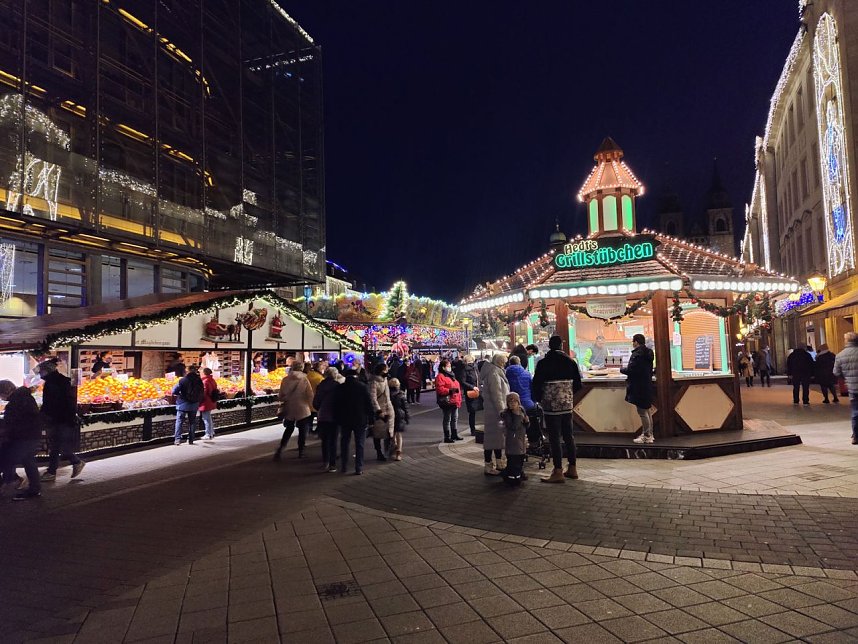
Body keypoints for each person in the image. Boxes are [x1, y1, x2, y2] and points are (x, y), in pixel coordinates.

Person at [532, 336, 582, 482]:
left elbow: (536, 384)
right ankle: (572, 468)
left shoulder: (543, 363)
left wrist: (540, 399)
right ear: (561, 345)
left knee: (554, 437)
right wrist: (568, 394)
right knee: (569, 436)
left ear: (549, 346)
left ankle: (558, 471)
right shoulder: (570, 362)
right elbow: (578, 384)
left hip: (550, 406)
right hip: (567, 404)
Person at [38, 359, 85, 480]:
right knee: (57, 446)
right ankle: (53, 471)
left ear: (47, 371)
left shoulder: (53, 383)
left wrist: (43, 414)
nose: (40, 374)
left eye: (41, 371)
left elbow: (52, 403)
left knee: (59, 445)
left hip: (59, 418)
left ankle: (74, 463)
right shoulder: (60, 381)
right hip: (62, 418)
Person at [0, 380, 42, 500]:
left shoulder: (16, 402)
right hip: (31, 435)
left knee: (7, 458)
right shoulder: (25, 397)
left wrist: (6, 433)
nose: (1, 398)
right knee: (28, 461)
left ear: (6, 391)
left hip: (23, 437)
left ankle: (13, 480)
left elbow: (13, 422)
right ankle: (33, 488)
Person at [333, 368, 375, 474]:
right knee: (359, 443)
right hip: (360, 419)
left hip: (345, 419)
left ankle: (344, 466)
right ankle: (358, 467)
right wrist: (371, 419)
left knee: (344, 442)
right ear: (356, 376)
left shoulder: (340, 387)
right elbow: (368, 404)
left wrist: (337, 418)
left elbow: (335, 405)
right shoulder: (362, 387)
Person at [273, 361, 314, 460]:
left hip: (289, 407)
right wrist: (313, 406)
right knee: (302, 430)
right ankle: (301, 451)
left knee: (289, 429)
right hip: (302, 407)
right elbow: (309, 394)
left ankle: (281, 448)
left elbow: (281, 395)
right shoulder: (304, 379)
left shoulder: (285, 379)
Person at [621, 334, 655, 445]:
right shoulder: (649, 353)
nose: (632, 343)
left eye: (633, 341)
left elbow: (632, 370)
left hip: (638, 386)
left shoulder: (637, 354)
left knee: (642, 412)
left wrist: (621, 369)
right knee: (647, 410)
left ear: (636, 342)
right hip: (647, 384)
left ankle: (646, 436)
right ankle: (650, 434)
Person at [479, 353, 510, 475]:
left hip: (494, 410)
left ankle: (498, 463)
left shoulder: (494, 371)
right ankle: (489, 465)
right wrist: (502, 410)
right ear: (500, 362)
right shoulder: (494, 373)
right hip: (495, 411)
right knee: (492, 439)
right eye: (503, 362)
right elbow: (497, 394)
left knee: (496, 438)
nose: (504, 364)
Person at [313, 367, 342, 472]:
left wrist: (320, 409)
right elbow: (340, 402)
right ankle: (332, 464)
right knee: (333, 440)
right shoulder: (337, 386)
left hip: (322, 416)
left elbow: (315, 402)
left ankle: (325, 461)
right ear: (334, 375)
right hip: (334, 416)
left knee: (325, 440)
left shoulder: (320, 386)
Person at [834, 332, 858, 445]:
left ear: (846, 341)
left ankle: (856, 436)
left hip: (852, 388)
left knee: (855, 411)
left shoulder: (840, 355)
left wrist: (846, 378)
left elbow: (836, 372)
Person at [500, 392, 528, 484]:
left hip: (521, 441)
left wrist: (527, 422)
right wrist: (517, 415)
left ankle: (518, 474)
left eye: (515, 401)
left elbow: (525, 426)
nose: (513, 403)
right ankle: (513, 478)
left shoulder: (521, 411)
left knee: (520, 460)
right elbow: (514, 426)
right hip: (513, 442)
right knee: (513, 461)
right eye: (510, 401)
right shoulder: (507, 414)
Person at [172, 365, 204, 445]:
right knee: (192, 422)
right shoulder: (199, 380)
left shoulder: (183, 380)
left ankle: (177, 439)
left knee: (179, 422)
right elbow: (202, 391)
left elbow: (174, 391)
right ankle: (191, 439)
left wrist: (179, 394)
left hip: (183, 404)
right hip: (194, 404)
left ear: (188, 371)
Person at [369, 363, 394, 460]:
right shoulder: (374, 382)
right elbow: (373, 398)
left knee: (389, 431)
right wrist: (378, 411)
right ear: (381, 371)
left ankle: (388, 451)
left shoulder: (385, 379)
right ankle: (379, 452)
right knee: (378, 433)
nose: (387, 371)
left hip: (388, 408)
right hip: (379, 410)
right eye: (386, 369)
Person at [506, 355, 538, 429]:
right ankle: (532, 438)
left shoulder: (505, 374)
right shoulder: (527, 374)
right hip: (528, 404)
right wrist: (534, 401)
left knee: (516, 427)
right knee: (531, 424)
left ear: (509, 363)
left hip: (513, 406)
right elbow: (532, 389)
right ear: (519, 363)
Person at [435, 358, 463, 443]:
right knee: (447, 419)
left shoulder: (451, 375)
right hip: (447, 401)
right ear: (443, 367)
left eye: (450, 366)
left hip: (455, 400)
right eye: (448, 366)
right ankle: (447, 436)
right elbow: (440, 389)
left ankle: (454, 434)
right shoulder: (440, 376)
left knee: (455, 418)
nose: (450, 367)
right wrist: (450, 391)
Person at [459, 354, 482, 435]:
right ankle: (472, 429)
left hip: (477, 391)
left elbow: (479, 378)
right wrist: (473, 387)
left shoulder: (475, 368)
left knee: (475, 411)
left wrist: (480, 385)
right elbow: (463, 381)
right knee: (472, 412)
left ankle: (474, 429)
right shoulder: (465, 370)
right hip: (471, 392)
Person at [389, 377, 409, 461]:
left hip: (390, 415)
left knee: (392, 434)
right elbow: (405, 407)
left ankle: (394, 446)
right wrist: (407, 417)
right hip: (399, 416)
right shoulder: (401, 394)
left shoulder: (387, 394)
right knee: (399, 435)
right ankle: (398, 453)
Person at [199, 367, 218, 440]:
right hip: (211, 401)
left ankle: (208, 434)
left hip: (206, 402)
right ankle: (211, 432)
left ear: (204, 373)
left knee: (206, 418)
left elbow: (204, 392)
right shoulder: (212, 380)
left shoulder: (205, 381)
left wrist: (199, 400)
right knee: (208, 418)